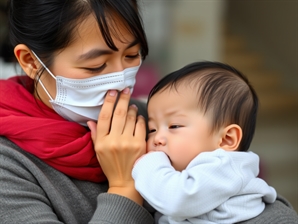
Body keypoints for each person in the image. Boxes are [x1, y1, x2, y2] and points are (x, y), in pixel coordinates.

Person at [0, 0, 154, 223]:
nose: (121, 79)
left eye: (131, 55)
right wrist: (124, 188)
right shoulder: (8, 163)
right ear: (31, 61)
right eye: (96, 66)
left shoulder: (156, 120)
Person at [131, 61, 298, 224]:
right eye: (152, 129)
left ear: (227, 139)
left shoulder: (223, 166)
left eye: (174, 126)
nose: (157, 139)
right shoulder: (180, 174)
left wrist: (146, 163)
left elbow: (177, 200)